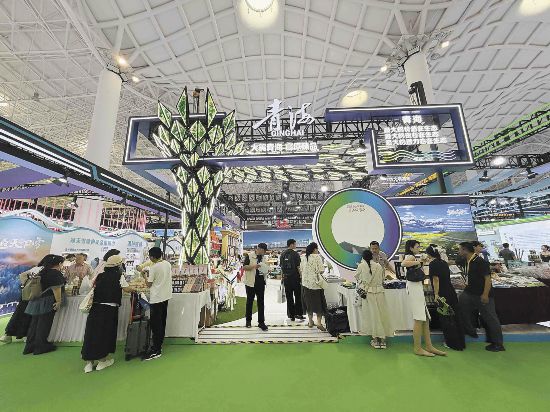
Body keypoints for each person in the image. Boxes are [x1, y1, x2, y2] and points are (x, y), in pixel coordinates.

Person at [81, 255, 134, 373]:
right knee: (105, 333)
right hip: (109, 310)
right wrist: (135, 289)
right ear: (118, 265)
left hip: (95, 308)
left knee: (91, 333)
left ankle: (88, 363)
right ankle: (102, 361)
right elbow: (126, 289)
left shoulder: (100, 276)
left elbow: (92, 287)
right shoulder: (119, 276)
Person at [401, 240, 446, 357]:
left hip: (416, 288)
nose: (419, 248)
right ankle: (417, 348)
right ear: (411, 248)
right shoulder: (410, 256)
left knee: (425, 318)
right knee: (419, 318)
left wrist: (420, 262)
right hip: (414, 289)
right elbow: (403, 263)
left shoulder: (411, 257)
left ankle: (429, 346)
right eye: (417, 247)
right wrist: (419, 261)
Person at [458, 242, 505, 352]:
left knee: (490, 317)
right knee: (461, 306)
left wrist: (485, 294)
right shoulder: (467, 260)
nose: (458, 251)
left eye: (460, 249)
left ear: (465, 250)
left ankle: (498, 344)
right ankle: (470, 330)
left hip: (481, 293)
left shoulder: (480, 261)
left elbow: (487, 279)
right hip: (470, 292)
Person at [23, 254, 66, 355]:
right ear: (59, 263)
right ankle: (40, 346)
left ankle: (29, 346)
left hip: (36, 300)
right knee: (44, 323)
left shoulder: (41, 271)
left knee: (34, 324)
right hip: (47, 300)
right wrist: (58, 301)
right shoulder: (55, 274)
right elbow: (56, 288)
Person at [0, 259, 47, 344]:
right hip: (33, 296)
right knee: (26, 315)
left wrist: (25, 285)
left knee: (20, 314)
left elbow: (22, 276)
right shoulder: (40, 270)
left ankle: (9, 335)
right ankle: (21, 334)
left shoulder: (36, 269)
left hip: (27, 295)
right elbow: (23, 276)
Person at [355, 249, 394, 349]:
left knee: (372, 316)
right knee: (382, 315)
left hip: (368, 293)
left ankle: (375, 340)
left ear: (363, 257)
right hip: (379, 292)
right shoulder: (378, 266)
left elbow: (357, 277)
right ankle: (383, 340)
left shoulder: (361, 266)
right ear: (372, 256)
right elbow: (382, 279)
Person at [142, 247, 172, 360]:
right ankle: (159, 344)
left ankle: (156, 349)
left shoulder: (154, 267)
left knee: (155, 324)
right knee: (162, 322)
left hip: (156, 298)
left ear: (152, 257)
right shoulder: (167, 264)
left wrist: (144, 276)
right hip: (165, 297)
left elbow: (149, 284)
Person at [300, 242, 327, 331]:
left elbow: (301, 269)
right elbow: (321, 270)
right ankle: (319, 323)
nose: (317, 250)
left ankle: (311, 321)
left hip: (305, 284)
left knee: (308, 304)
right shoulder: (317, 257)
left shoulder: (303, 257)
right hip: (316, 285)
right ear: (314, 249)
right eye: (317, 248)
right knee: (319, 304)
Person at [243, 243, 269, 331]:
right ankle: (248, 321)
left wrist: (267, 270)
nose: (264, 252)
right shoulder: (249, 256)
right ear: (260, 249)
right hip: (250, 282)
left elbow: (265, 268)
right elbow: (244, 267)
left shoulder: (264, 258)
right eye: (264, 251)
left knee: (261, 303)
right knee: (249, 302)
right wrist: (254, 266)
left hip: (261, 283)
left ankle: (261, 322)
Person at [280, 239, 304, 322]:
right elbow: (298, 267)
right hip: (295, 278)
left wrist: (282, 277)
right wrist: (301, 276)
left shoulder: (282, 254)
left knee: (289, 297)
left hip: (286, 278)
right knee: (298, 296)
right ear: (291, 244)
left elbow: (281, 267)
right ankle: (299, 314)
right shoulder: (295, 254)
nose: (295, 245)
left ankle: (291, 315)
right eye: (295, 244)